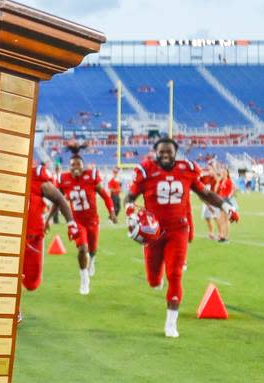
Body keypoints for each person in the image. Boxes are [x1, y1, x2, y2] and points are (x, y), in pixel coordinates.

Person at [124, 137, 227, 338]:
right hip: (153, 231)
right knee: (154, 280)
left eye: (169, 151)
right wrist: (129, 209)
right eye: (161, 151)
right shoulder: (146, 171)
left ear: (175, 153)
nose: (165, 155)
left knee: (175, 274)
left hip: (178, 230)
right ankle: (157, 278)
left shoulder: (186, 170)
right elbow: (130, 196)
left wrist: (225, 206)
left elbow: (205, 193)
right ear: (155, 153)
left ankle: (171, 324)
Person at [57, 154, 116, 295]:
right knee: (83, 249)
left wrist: (112, 212)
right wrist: (47, 217)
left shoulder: (91, 176)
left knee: (93, 249)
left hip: (92, 220)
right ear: (69, 166)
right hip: (76, 221)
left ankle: (92, 260)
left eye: (78, 164)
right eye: (73, 165)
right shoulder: (63, 179)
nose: (76, 167)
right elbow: (57, 199)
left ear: (83, 166)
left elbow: (105, 196)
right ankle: (84, 279)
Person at [22, 162, 75, 294]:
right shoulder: (2, 175)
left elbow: (60, 199)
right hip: (6, 234)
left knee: (31, 283)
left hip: (31, 238)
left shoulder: (36, 175)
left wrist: (71, 224)